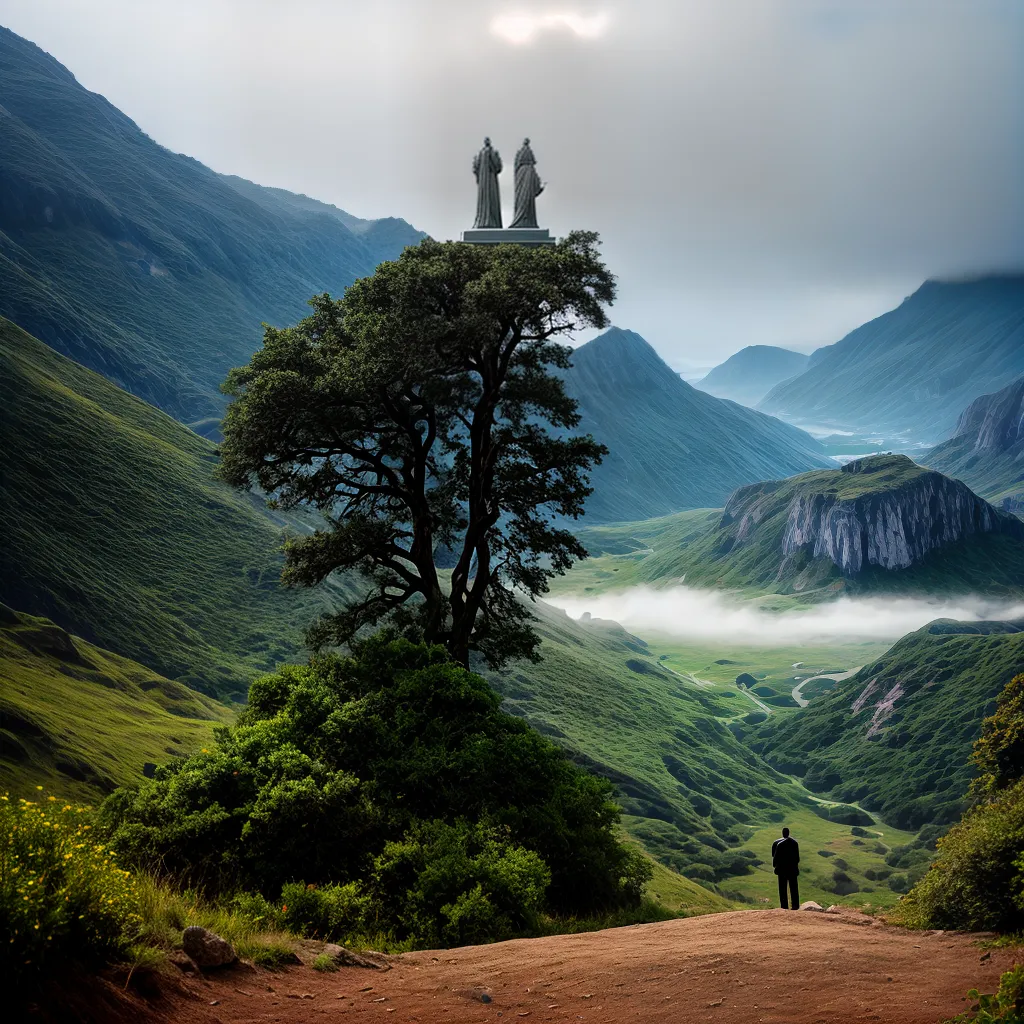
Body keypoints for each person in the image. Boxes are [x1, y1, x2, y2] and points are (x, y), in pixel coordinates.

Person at [772, 826, 800, 909]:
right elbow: (797, 858)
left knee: (782, 889)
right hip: (792, 869)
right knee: (794, 888)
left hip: (781, 869)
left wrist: (775, 866)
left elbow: (775, 857)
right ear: (789, 833)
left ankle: (784, 906)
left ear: (782, 833)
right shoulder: (794, 843)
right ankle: (795, 905)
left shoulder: (777, 843)